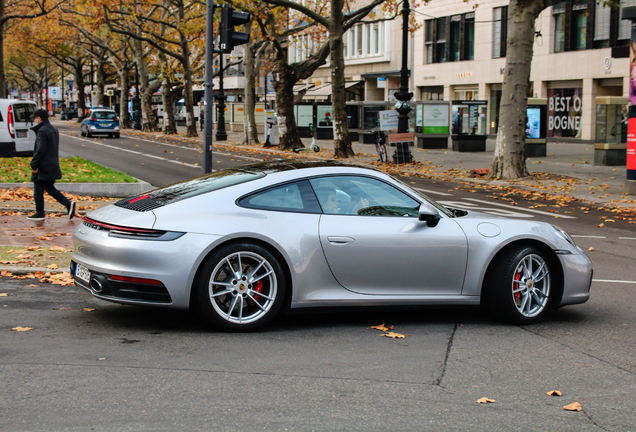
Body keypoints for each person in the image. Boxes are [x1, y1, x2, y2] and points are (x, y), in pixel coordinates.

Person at [27, 109, 76, 221]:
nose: (34, 120)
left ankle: (40, 213)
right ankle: (68, 204)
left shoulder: (42, 131)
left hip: (43, 165)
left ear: (39, 118)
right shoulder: (53, 129)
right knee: (49, 187)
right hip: (52, 164)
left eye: (35, 118)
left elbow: (40, 150)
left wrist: (34, 165)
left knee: (38, 189)